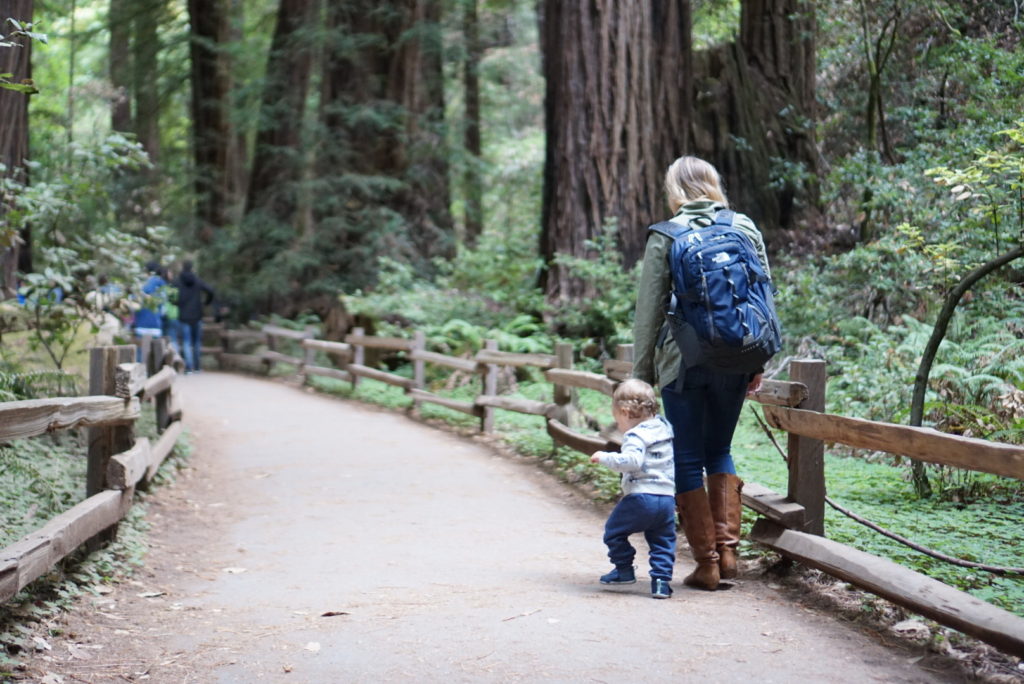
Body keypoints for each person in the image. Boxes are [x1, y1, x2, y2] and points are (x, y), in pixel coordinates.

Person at [631, 156, 771, 591]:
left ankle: (707, 564)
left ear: (673, 189)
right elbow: (763, 293)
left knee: (688, 457)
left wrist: (641, 376)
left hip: (683, 363)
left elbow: (649, 310)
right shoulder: (743, 225)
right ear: (714, 185)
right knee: (720, 450)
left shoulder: (666, 235)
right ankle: (729, 554)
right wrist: (757, 360)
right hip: (737, 356)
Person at [589, 378, 677, 599]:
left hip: (641, 497)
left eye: (617, 419)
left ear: (626, 412)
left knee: (614, 532)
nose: (618, 425)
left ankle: (624, 570)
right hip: (666, 498)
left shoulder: (635, 435)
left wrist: (605, 457)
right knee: (662, 541)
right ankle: (661, 583)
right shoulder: (665, 428)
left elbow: (632, 462)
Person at [175, 260, 215, 373]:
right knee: (197, 342)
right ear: (192, 268)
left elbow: (171, 295)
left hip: (183, 316)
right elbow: (211, 291)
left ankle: (188, 367)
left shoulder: (178, 282)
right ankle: (197, 367)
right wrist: (206, 303)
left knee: (186, 342)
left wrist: (177, 303)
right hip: (197, 316)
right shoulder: (197, 281)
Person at [132, 261, 167, 354]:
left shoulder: (140, 285)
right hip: (156, 324)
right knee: (156, 356)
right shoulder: (162, 285)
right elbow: (164, 309)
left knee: (141, 355)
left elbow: (133, 305)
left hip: (141, 324)